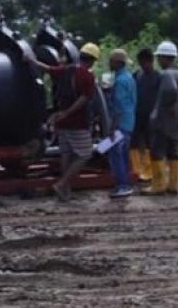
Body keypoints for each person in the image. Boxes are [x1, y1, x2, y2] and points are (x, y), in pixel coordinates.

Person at [26, 42, 101, 201]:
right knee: (84, 154)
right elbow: (84, 99)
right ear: (93, 60)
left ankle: (65, 190)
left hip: (61, 122)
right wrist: (68, 113)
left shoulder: (66, 70)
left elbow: (47, 69)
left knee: (66, 154)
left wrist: (31, 60)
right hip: (77, 122)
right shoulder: (87, 75)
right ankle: (62, 184)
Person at [145, 40, 178, 196]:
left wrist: (170, 106)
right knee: (173, 151)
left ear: (165, 57)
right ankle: (173, 185)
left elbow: (171, 91)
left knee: (157, 151)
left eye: (159, 57)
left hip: (163, 121)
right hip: (175, 122)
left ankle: (158, 185)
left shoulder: (167, 74)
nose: (158, 60)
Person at [107, 48, 137, 198]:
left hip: (120, 123)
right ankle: (126, 182)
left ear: (117, 63)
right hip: (129, 122)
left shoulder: (119, 81)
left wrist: (112, 128)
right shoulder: (128, 77)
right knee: (123, 154)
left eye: (111, 61)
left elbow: (118, 108)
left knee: (114, 152)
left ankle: (122, 185)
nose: (109, 63)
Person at [131, 47, 160, 183]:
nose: (142, 66)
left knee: (150, 144)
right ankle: (135, 171)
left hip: (152, 116)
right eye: (140, 63)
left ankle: (149, 172)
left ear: (150, 62)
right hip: (137, 114)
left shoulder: (158, 77)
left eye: (143, 63)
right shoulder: (136, 75)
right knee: (134, 142)